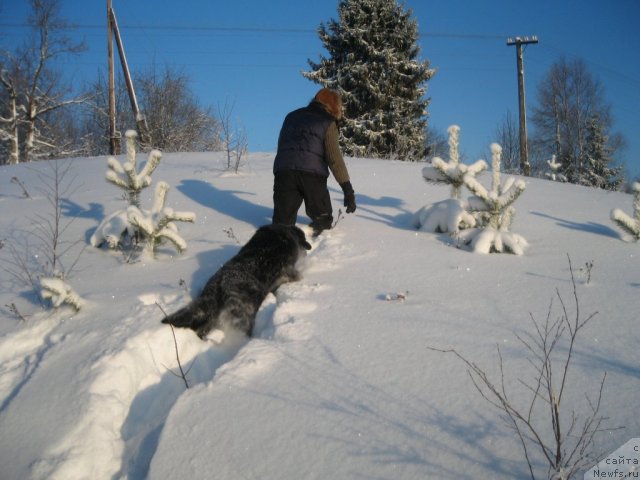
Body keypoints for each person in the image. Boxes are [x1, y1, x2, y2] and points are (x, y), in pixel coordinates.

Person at [272, 88, 356, 235]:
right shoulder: (327, 122)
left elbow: (282, 146)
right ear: (334, 107)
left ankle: (281, 251)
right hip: (312, 176)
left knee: (282, 223)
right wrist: (347, 190)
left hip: (284, 172)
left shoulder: (291, 116)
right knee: (322, 220)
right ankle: (312, 241)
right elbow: (334, 158)